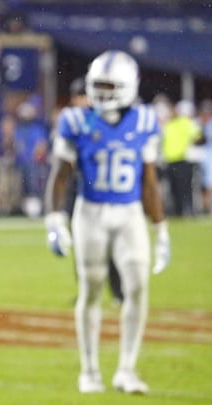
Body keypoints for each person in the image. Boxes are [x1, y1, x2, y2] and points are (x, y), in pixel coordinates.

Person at [44, 50, 171, 395]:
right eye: (98, 85)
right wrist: (54, 218)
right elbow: (60, 176)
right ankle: (90, 371)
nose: (102, 93)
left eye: (110, 86)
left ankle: (127, 370)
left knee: (138, 288)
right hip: (91, 213)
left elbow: (149, 181)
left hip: (129, 214)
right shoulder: (75, 120)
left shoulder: (145, 120)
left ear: (129, 86)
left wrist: (161, 231)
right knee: (92, 289)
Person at [66, 77, 123, 304]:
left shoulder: (97, 121)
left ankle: (118, 293)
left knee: (109, 245)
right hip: (77, 190)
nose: (78, 102)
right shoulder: (71, 122)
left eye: (81, 97)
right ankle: (86, 293)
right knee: (82, 247)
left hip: (99, 192)